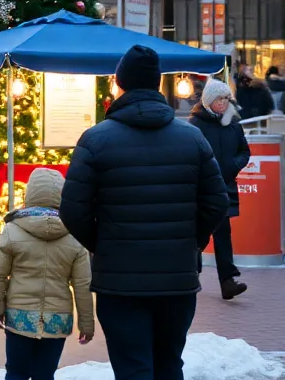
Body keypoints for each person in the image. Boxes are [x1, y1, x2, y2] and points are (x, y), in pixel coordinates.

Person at [60, 45, 228, 380]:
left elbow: (73, 211)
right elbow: (216, 202)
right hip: (177, 277)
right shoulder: (192, 138)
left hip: (119, 280)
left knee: (132, 367)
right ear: (157, 84)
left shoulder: (95, 140)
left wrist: (103, 243)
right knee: (169, 364)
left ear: (119, 84)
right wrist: (191, 240)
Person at [0, 168, 95, 380]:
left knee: (16, 372)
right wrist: (86, 323)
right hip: (57, 320)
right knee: (45, 374)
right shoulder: (75, 234)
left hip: (19, 317)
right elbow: (82, 285)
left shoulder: (12, 230)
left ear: (30, 194)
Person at [190, 78, 251, 300]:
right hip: (202, 188)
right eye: (219, 99)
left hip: (224, 185)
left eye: (226, 98)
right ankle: (192, 275)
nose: (223, 103)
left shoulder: (232, 122)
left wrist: (234, 165)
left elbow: (245, 151)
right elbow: (190, 155)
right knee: (198, 234)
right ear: (208, 100)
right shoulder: (195, 124)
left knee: (223, 232)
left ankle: (228, 280)